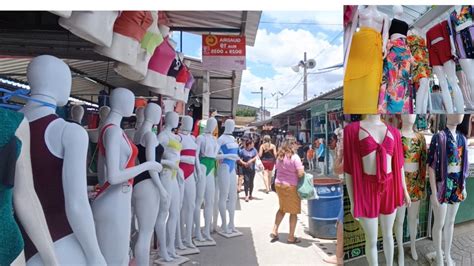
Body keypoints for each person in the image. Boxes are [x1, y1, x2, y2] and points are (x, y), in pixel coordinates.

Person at [270, 137, 304, 244]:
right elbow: (300, 173)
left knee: (282, 208)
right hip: (291, 186)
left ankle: (274, 230)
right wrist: (302, 170)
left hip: (279, 185)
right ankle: (291, 237)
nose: (297, 145)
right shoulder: (295, 157)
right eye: (295, 143)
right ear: (292, 145)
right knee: (293, 212)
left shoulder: (280, 157)